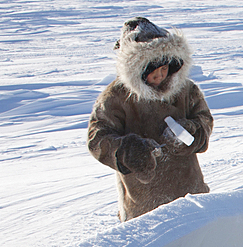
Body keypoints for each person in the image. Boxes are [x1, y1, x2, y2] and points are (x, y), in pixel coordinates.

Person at [88, 17, 214, 221]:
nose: (160, 75)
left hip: (190, 194)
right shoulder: (116, 97)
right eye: (152, 70)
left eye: (165, 68)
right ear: (136, 68)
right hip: (143, 207)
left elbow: (205, 120)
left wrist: (192, 132)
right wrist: (128, 151)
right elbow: (97, 138)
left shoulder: (186, 90)